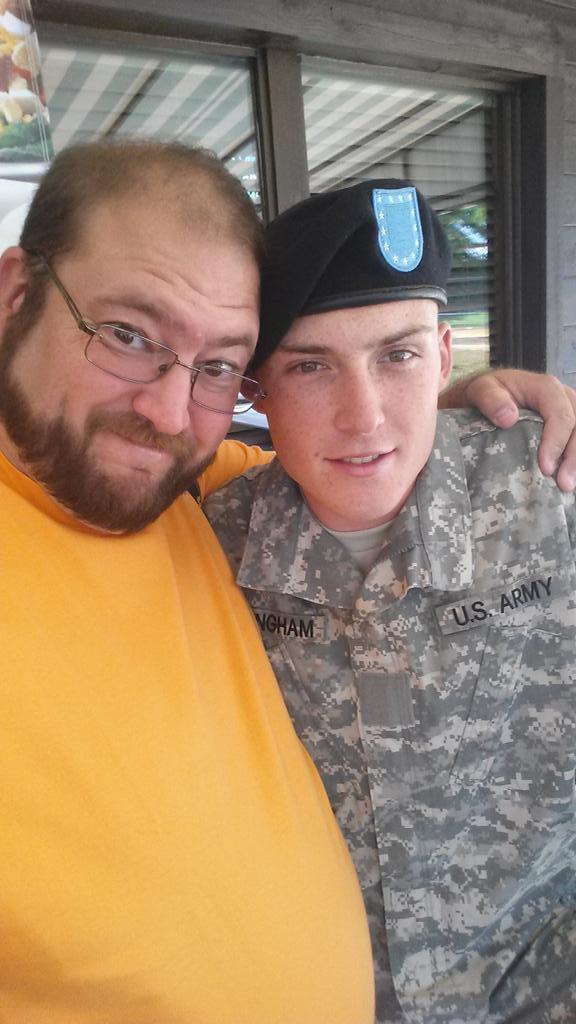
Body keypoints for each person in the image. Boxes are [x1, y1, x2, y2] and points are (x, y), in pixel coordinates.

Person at [0, 138, 378, 1023]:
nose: (169, 414)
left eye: (216, 368)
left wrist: (471, 406)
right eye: (128, 336)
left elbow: (352, 452)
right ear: (14, 294)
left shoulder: (196, 490)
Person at [204, 180, 576, 1024]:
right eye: (310, 366)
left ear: (444, 357)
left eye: (397, 356)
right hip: (332, 999)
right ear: (257, 390)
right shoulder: (211, 550)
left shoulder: (551, 487)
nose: (364, 415)